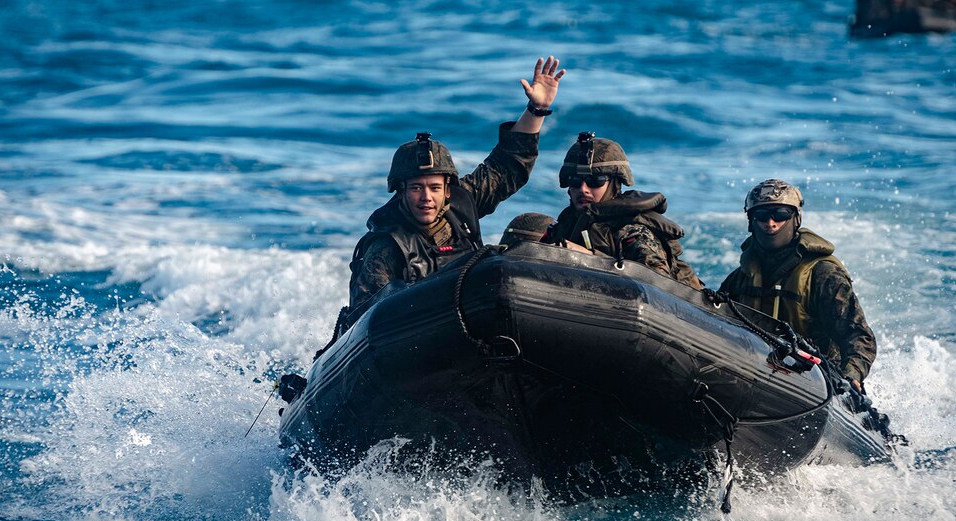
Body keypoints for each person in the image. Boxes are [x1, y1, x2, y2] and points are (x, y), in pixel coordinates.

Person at [346, 56, 566, 314]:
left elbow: (508, 166)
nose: (426, 197)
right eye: (416, 188)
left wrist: (536, 110)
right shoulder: (386, 246)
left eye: (435, 188)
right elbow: (371, 318)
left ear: (447, 190)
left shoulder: (461, 205)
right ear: (401, 191)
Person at [718, 179, 876, 392]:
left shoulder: (822, 275)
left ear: (795, 218)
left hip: (816, 379)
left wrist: (852, 375)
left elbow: (858, 335)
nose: (771, 223)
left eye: (780, 214)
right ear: (751, 222)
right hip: (754, 372)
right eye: (762, 216)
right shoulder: (741, 278)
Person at [542, 132, 703, 290]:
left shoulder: (632, 231)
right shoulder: (564, 226)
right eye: (575, 181)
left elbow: (658, 284)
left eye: (594, 181)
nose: (583, 189)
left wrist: (589, 257)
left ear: (614, 184)